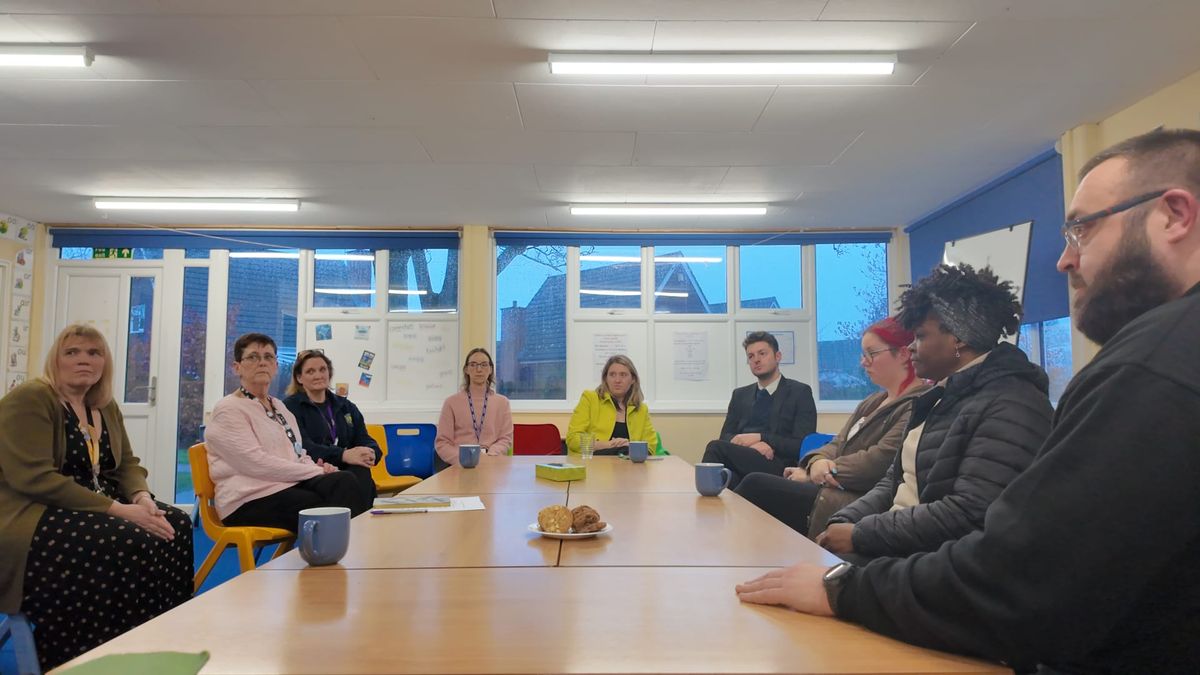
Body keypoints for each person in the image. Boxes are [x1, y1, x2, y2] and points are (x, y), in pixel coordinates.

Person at [736, 128, 1200, 672]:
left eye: (1081, 230)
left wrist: (843, 588)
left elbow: (1019, 574)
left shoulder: (1155, 362)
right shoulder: (944, 398)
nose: (1064, 261)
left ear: (1173, 215)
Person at [810, 264, 1052, 562]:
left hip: (932, 562)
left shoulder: (1012, 403)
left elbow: (970, 512)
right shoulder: (940, 397)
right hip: (894, 542)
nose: (911, 348)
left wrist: (861, 534)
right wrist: (845, 521)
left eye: (921, 336)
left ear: (958, 339)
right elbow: (893, 482)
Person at [0, 324, 192, 670]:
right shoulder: (31, 398)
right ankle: (88, 659)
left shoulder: (104, 406)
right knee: (120, 540)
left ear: (105, 363)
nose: (83, 360)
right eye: (71, 352)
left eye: (94, 353)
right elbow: (34, 478)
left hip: (96, 502)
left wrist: (141, 497)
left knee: (174, 523)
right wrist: (119, 510)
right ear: (55, 360)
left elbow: (127, 464)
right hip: (31, 513)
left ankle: (158, 644)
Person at [735, 317, 930, 539]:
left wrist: (817, 473)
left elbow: (879, 461)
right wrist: (816, 463)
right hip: (830, 486)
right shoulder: (873, 401)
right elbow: (837, 443)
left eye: (871, 354)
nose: (863, 362)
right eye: (863, 355)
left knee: (756, 485)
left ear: (903, 354)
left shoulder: (917, 404)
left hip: (856, 499)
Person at [205, 333, 369, 532]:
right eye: (253, 357)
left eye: (268, 357)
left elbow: (298, 452)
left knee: (343, 480)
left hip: (284, 485)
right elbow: (256, 464)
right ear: (236, 367)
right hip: (246, 499)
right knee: (322, 506)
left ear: (275, 366)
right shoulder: (228, 409)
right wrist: (316, 471)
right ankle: (341, 556)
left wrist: (321, 468)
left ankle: (353, 552)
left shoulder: (280, 407)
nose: (262, 363)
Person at [700, 331, 817, 488]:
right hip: (743, 460)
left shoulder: (799, 392)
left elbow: (802, 445)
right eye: (751, 356)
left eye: (762, 353)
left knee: (715, 448)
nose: (756, 360)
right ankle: (710, 506)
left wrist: (762, 438)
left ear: (778, 356)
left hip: (777, 464)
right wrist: (751, 446)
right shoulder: (740, 395)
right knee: (728, 479)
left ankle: (704, 503)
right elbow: (725, 436)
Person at [284, 349, 380, 504]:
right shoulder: (290, 407)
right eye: (310, 371)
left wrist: (371, 452)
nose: (318, 375)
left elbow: (363, 438)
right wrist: (343, 454)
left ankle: (362, 523)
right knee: (347, 478)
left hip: (346, 468)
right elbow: (302, 446)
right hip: (314, 471)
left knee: (360, 470)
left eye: (322, 369)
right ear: (299, 378)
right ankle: (355, 523)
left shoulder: (345, 406)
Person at [435, 347, 513, 465]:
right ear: (466, 369)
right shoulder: (451, 402)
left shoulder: (502, 403)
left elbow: (506, 438)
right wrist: (463, 459)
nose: (479, 369)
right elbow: (442, 443)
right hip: (460, 464)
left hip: (491, 462)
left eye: (484, 364)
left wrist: (491, 455)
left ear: (491, 369)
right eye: (473, 364)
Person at [566, 354, 657, 456]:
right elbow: (573, 439)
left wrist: (630, 446)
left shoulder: (641, 409)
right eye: (612, 375)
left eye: (623, 375)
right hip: (594, 465)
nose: (617, 380)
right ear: (605, 378)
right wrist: (608, 444)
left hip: (628, 467)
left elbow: (651, 446)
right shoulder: (590, 399)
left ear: (633, 379)